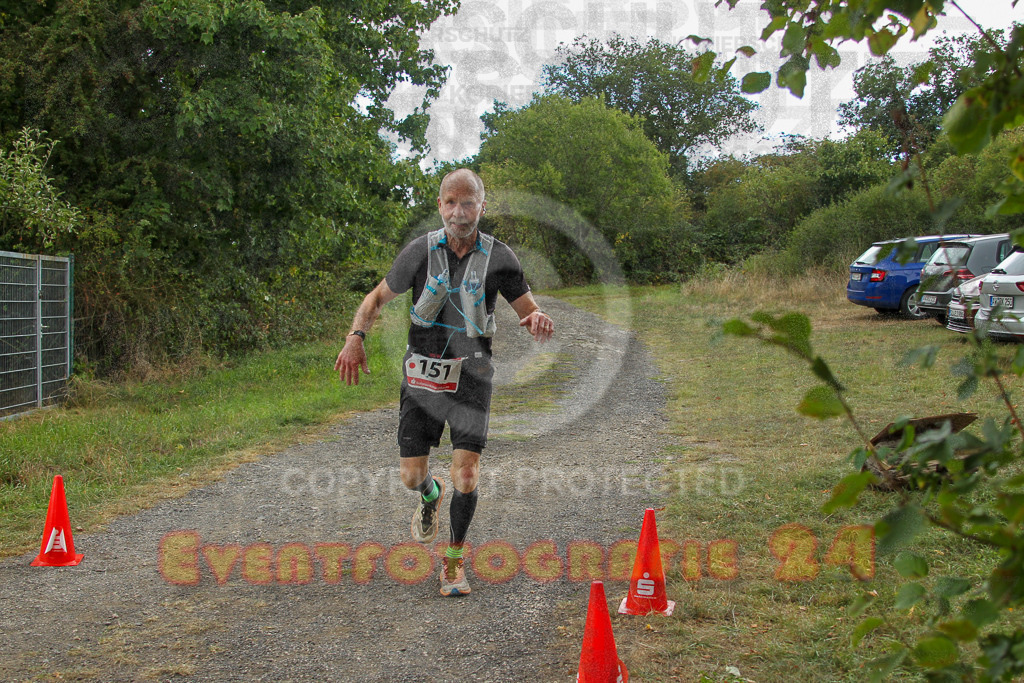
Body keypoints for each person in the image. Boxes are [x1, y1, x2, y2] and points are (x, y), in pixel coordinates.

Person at [334, 168, 554, 596]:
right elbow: (375, 299)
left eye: (468, 202)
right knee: (411, 477)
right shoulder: (419, 252)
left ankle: (453, 565)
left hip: (472, 375)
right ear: (440, 206)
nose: (459, 211)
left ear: (482, 207)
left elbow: (527, 309)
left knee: (467, 473)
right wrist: (355, 337)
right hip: (422, 374)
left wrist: (535, 318)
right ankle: (429, 495)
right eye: (450, 202)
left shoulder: (500, 257)